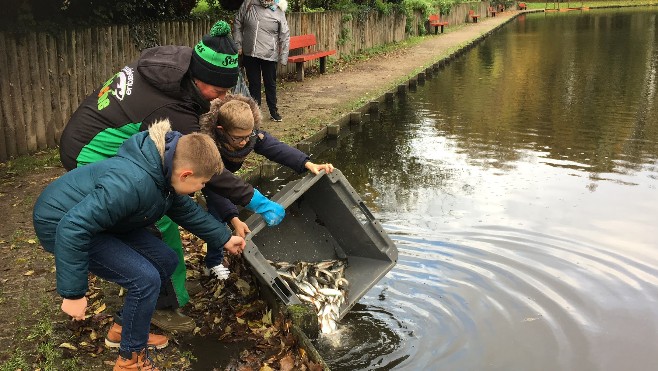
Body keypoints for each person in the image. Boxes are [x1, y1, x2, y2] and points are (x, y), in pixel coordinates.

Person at [57, 20, 285, 333]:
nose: (222, 97)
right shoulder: (171, 109)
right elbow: (208, 168)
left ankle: (134, 267)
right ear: (200, 78)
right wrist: (255, 199)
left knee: (158, 203)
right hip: (90, 151)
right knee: (158, 217)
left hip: (89, 133)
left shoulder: (176, 63)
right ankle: (163, 304)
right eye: (219, 91)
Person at [33, 120, 246, 370]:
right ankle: (129, 360)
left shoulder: (162, 172)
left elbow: (185, 210)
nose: (201, 188)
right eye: (201, 183)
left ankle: (123, 329)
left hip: (105, 221)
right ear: (185, 174)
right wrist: (74, 293)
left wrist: (223, 237)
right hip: (62, 225)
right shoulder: (131, 184)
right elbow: (73, 227)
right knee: (144, 279)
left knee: (165, 260)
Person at [199, 94, 334, 273]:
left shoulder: (250, 134)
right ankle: (213, 262)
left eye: (248, 136)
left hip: (226, 174)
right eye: (238, 138)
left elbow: (275, 148)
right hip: (209, 176)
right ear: (221, 130)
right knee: (217, 216)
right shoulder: (207, 143)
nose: (244, 142)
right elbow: (215, 185)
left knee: (228, 208)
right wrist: (234, 218)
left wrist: (306, 163)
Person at [233, 0, 290, 122]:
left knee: (270, 83)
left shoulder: (278, 9)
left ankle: (273, 111)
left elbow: (284, 35)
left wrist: (283, 57)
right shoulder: (248, 4)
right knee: (254, 84)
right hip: (250, 53)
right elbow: (238, 22)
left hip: (269, 54)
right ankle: (255, 112)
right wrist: (238, 44)